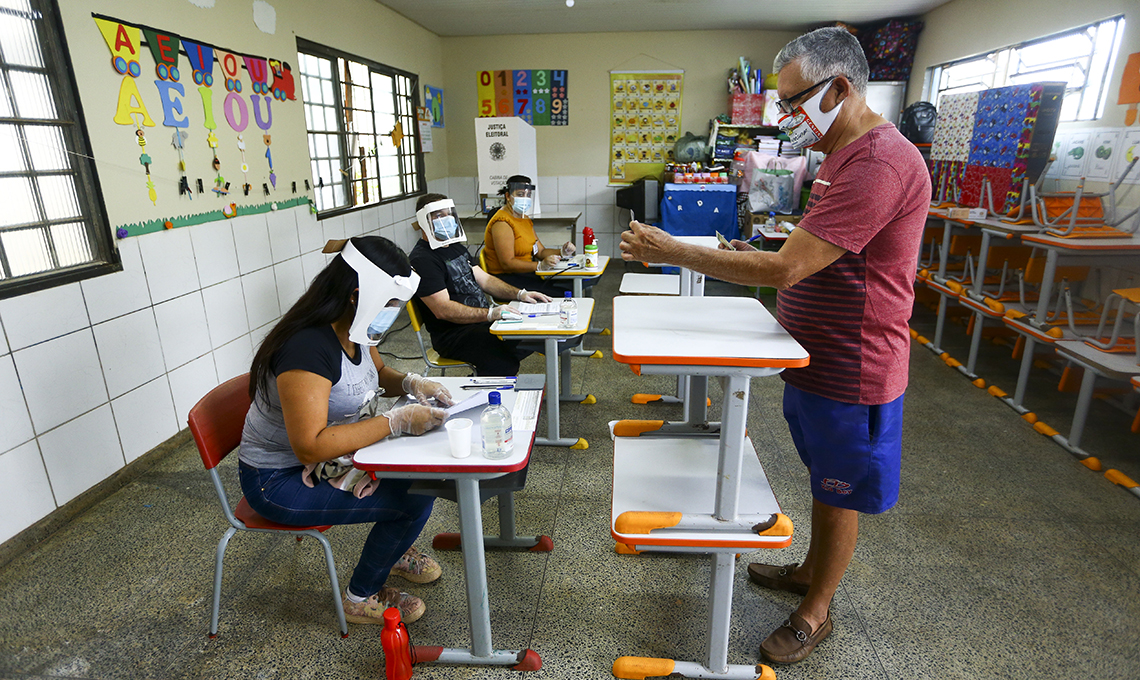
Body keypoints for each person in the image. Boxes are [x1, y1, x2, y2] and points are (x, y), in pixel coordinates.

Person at [619, 27, 930, 665]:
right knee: (822, 472)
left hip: (855, 360)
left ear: (841, 88)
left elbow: (791, 271)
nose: (786, 117)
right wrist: (755, 252)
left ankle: (817, 610)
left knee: (841, 485)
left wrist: (677, 250)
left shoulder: (876, 162)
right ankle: (811, 570)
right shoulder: (842, 154)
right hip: (811, 354)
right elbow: (810, 255)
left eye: (794, 102)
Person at [240, 235, 455, 625]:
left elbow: (379, 373)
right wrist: (395, 421)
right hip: (278, 480)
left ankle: (391, 550)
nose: (393, 314)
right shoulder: (306, 348)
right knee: (413, 500)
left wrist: (412, 384)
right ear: (358, 295)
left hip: (329, 460)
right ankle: (360, 596)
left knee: (423, 479)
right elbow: (309, 447)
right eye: (389, 304)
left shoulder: (356, 329)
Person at [409, 192, 554, 376]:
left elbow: (484, 279)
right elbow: (442, 309)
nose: (445, 220)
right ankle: (481, 389)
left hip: (479, 323)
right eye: (438, 216)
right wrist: (490, 314)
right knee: (504, 362)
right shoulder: (423, 259)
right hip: (453, 335)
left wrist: (520, 294)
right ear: (423, 220)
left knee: (528, 336)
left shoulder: (454, 246)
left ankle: (483, 378)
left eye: (448, 214)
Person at [481, 175, 576, 298]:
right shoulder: (502, 222)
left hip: (526, 274)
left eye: (528, 195)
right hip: (507, 280)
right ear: (508, 196)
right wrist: (539, 266)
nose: (525, 199)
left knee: (571, 284)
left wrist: (562, 252)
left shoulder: (524, 219)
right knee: (562, 293)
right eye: (520, 194)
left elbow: (540, 252)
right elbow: (507, 263)